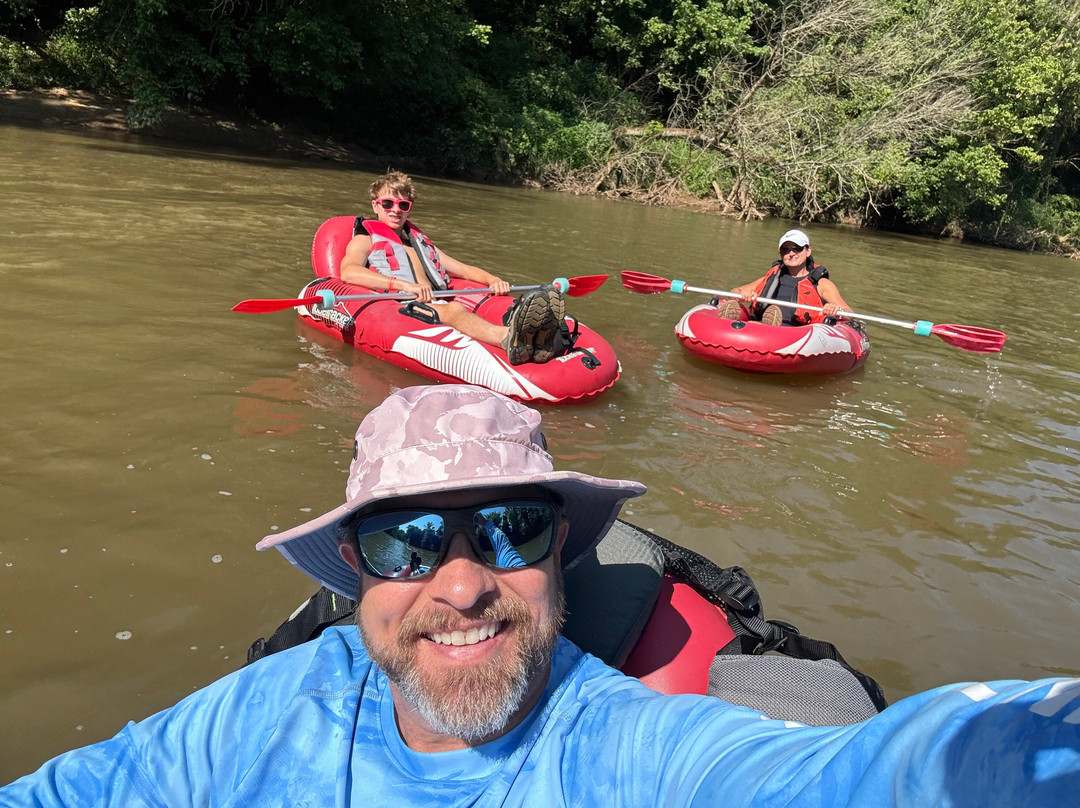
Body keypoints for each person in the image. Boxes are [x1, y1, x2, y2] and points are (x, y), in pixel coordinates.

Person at [3, 384, 1079, 806]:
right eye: (408, 541)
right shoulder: (269, 708)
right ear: (358, 573)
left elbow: (846, 778)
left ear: (558, 550)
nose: (464, 583)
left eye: (509, 529)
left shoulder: (615, 745)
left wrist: (1011, 753)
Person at [339, 171, 567, 365]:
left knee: (456, 307)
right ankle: (510, 339)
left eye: (403, 204)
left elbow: (463, 270)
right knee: (455, 309)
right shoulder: (365, 240)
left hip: (432, 303)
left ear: (409, 208)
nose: (395, 210)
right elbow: (348, 271)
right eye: (388, 203)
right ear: (375, 205)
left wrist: (492, 279)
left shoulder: (418, 246)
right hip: (400, 306)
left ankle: (541, 338)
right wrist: (401, 284)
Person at [720, 229, 851, 327]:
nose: (791, 254)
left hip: (795, 334)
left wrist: (836, 310)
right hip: (758, 328)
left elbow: (849, 313)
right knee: (733, 306)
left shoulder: (821, 284)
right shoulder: (773, 276)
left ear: (808, 250)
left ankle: (769, 327)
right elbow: (734, 291)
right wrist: (743, 295)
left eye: (797, 249)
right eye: (785, 250)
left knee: (770, 325)